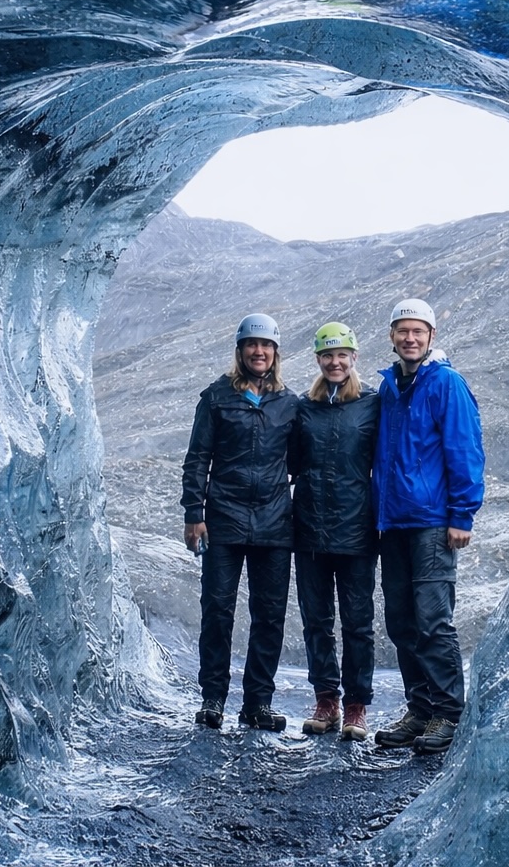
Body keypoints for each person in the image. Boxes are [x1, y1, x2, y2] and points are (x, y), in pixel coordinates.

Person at [371, 297, 485, 755]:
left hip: (433, 522)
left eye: (418, 331)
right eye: (403, 331)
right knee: (401, 621)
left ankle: (448, 714)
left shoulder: (446, 383)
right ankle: (419, 710)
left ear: (431, 336)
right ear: (393, 337)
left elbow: (465, 449)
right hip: (394, 522)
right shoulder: (389, 387)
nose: (410, 338)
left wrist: (462, 514)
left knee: (434, 620)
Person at [181, 313, 298, 731]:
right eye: (252, 345)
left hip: (275, 524)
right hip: (223, 519)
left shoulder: (290, 403)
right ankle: (213, 698)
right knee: (217, 610)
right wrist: (194, 514)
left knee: (269, 615)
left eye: (266, 346)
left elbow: (303, 462)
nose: (259, 352)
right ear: (240, 350)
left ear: (275, 353)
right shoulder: (216, 398)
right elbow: (197, 459)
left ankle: (257, 704)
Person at [288, 322, 380, 741]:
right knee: (316, 621)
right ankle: (327, 700)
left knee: (358, 622)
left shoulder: (372, 405)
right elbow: (287, 462)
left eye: (342, 354)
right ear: (318, 360)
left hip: (358, 530)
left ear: (354, 357)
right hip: (308, 530)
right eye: (327, 355)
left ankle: (357, 707)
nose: (335, 362)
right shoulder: (303, 409)